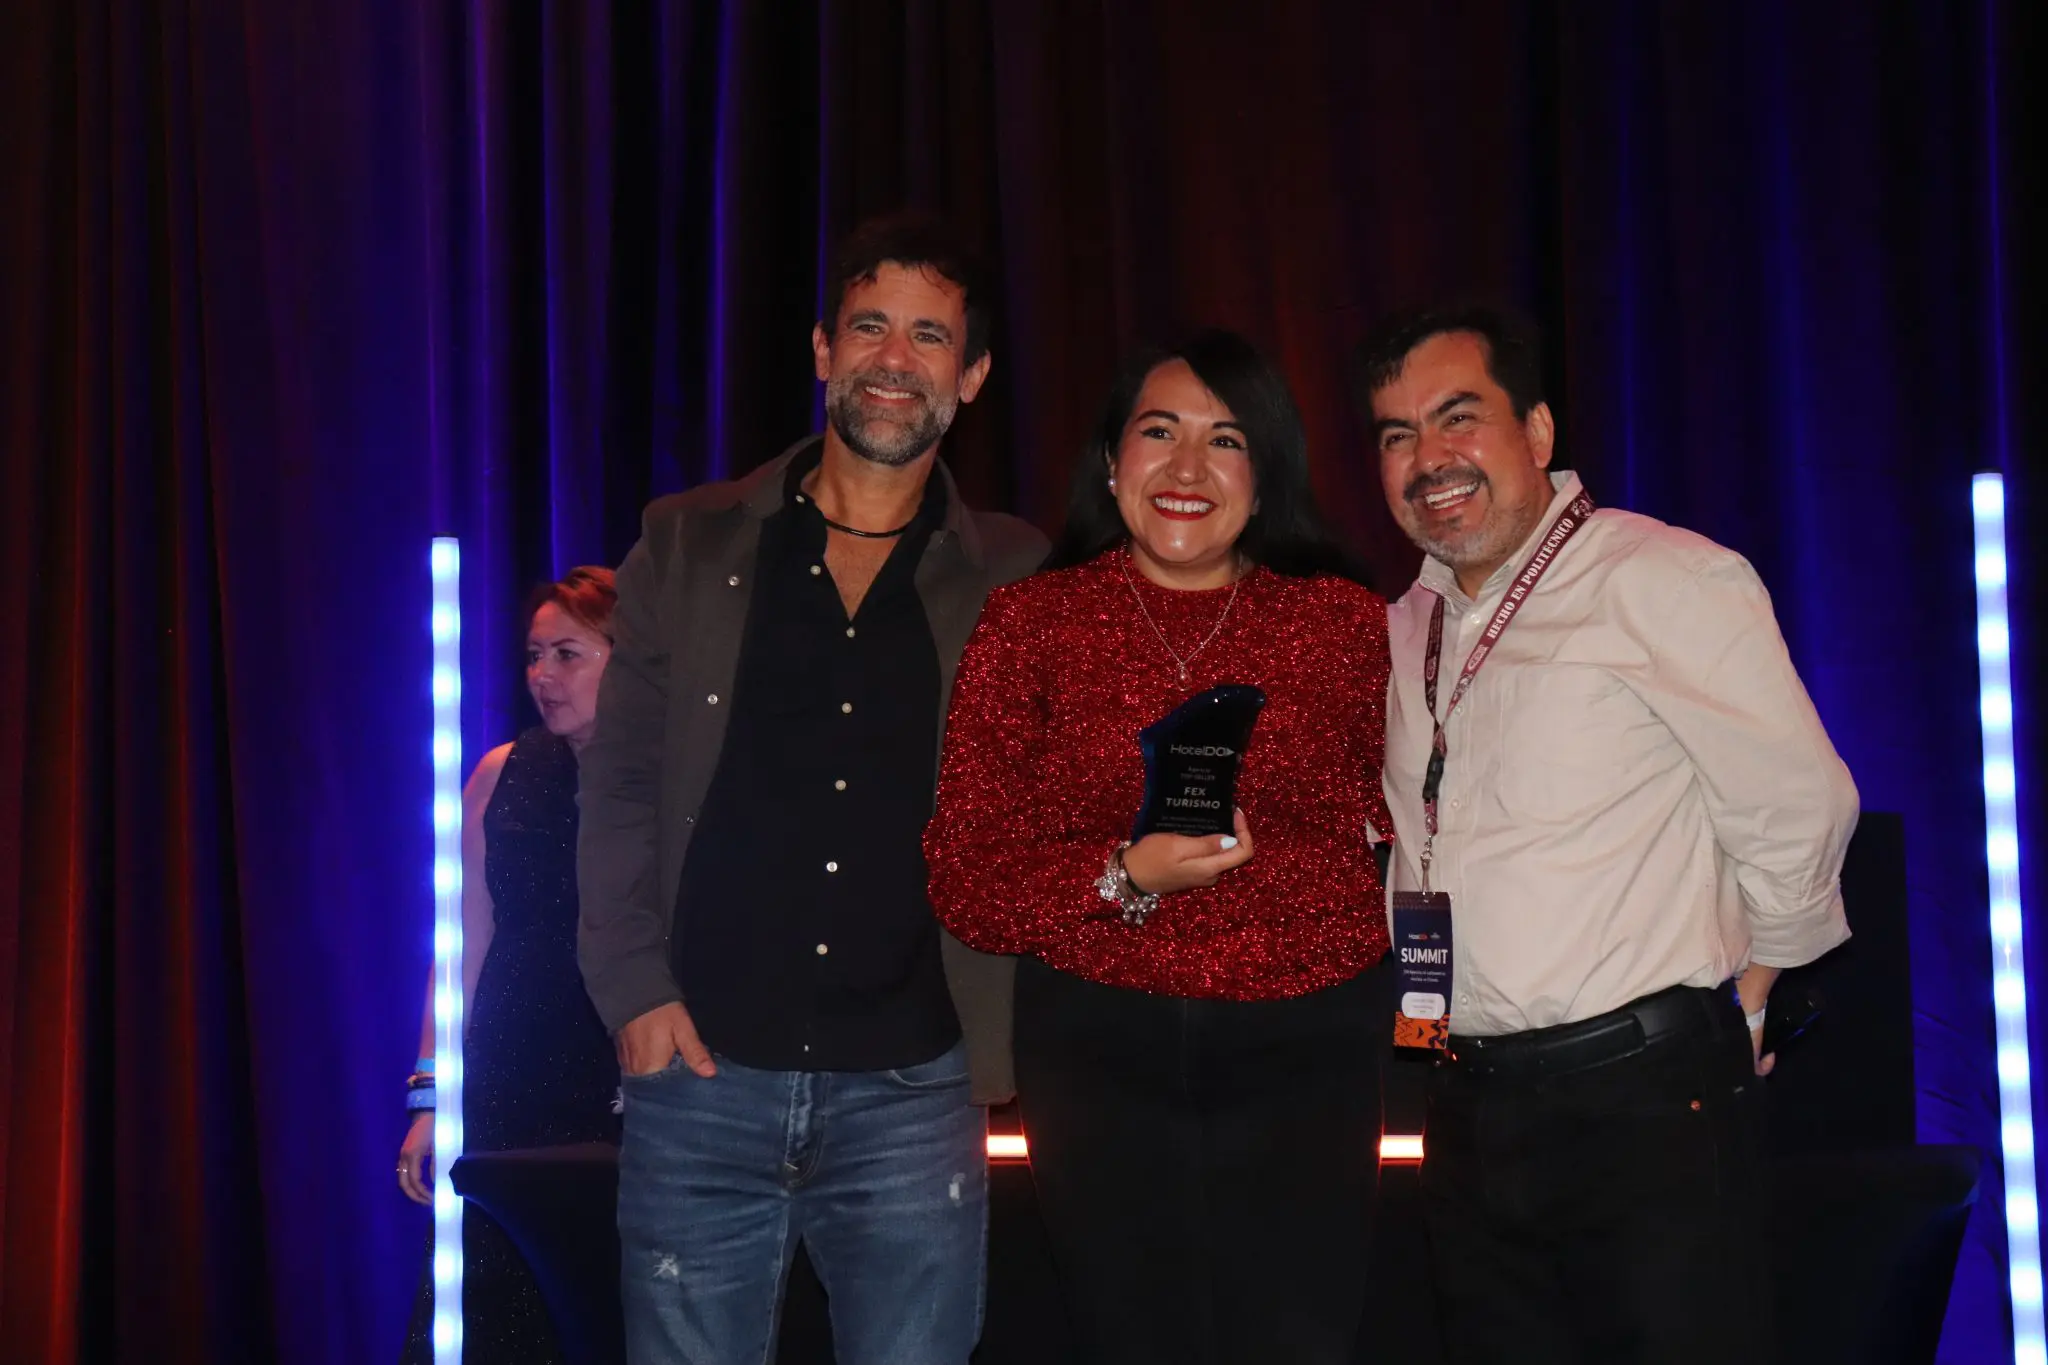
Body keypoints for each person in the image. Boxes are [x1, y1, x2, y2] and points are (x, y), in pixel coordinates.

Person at [576, 216, 1048, 1365]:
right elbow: (619, 786)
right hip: (698, 1071)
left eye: (929, 336)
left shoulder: (1016, 576)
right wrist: (632, 989)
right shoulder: (685, 545)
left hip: (914, 1089)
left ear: (971, 376)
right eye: (870, 326)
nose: (894, 357)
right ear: (823, 349)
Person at [1355, 305, 1859, 1363]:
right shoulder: (1405, 627)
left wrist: (1755, 985)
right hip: (1464, 1100)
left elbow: (1797, 803)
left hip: (1641, 1103)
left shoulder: (1659, 577)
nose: (1428, 458)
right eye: (1398, 434)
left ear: (1537, 431)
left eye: (1458, 418)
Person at [924, 330, 1395, 1365]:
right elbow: (966, 878)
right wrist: (1121, 873)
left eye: (1225, 440)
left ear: (1265, 476)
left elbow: (1418, 822)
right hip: (1098, 1048)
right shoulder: (1031, 623)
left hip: (1309, 1043)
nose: (1187, 467)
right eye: (1158, 432)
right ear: (1110, 461)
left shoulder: (1346, 626)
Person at [398, 567, 624, 1364]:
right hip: (509, 1071)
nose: (541, 675)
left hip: (627, 1071)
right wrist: (432, 1095)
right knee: (493, 1295)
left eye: (567, 653)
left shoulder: (671, 780)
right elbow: (460, 939)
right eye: (533, 654)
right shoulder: (502, 771)